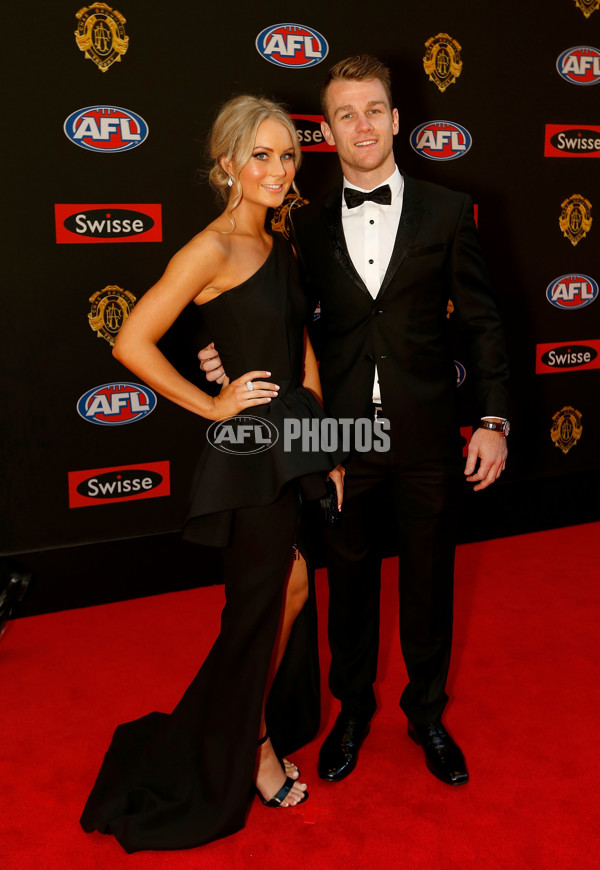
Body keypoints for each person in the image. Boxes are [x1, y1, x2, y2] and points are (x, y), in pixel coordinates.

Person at [199, 56, 510, 788]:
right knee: (350, 581)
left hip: (428, 429)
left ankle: (426, 712)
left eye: (374, 109)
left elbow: (485, 326)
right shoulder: (294, 223)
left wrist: (493, 417)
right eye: (346, 113)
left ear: (396, 120)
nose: (362, 125)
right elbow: (264, 307)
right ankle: (352, 710)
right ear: (328, 130)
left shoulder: (447, 209)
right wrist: (221, 352)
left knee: (430, 580)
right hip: (335, 435)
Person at [79, 95, 344, 853]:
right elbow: (131, 341)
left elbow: (301, 352)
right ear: (225, 163)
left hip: (292, 444)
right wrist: (214, 404)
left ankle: (243, 727)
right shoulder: (213, 248)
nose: (275, 169)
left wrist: (321, 446)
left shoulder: (279, 239)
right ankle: (253, 746)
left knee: (290, 588)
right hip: (250, 456)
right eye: (258, 155)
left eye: (286, 155)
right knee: (259, 604)